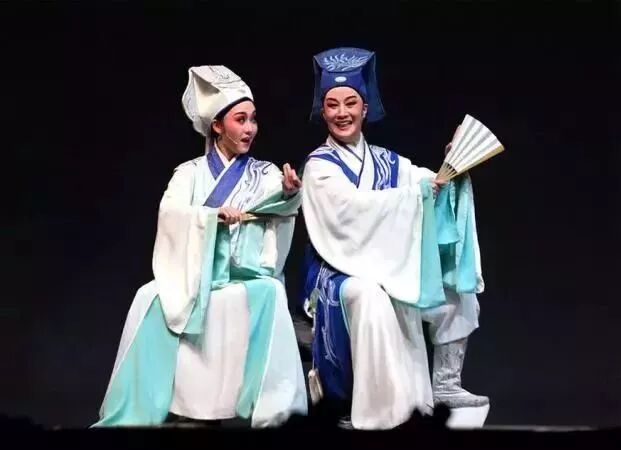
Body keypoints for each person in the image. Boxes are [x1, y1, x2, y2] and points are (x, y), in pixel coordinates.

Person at [94, 65, 307, 428]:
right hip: (195, 276)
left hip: (241, 276)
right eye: (240, 119)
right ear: (218, 126)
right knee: (149, 297)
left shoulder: (265, 172)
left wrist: (289, 193)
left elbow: (279, 206)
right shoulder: (189, 172)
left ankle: (275, 411)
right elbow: (170, 212)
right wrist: (210, 216)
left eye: (253, 119)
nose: (250, 128)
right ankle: (157, 407)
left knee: (271, 292)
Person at [299, 47, 488, 430]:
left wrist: (451, 169)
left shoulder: (387, 161)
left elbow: (426, 181)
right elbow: (351, 211)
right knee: (372, 295)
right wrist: (416, 195)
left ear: (365, 108)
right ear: (323, 111)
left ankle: (445, 384)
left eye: (351, 103)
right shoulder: (319, 166)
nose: (342, 113)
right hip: (338, 274)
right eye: (332, 105)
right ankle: (381, 413)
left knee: (454, 286)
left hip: (385, 263)